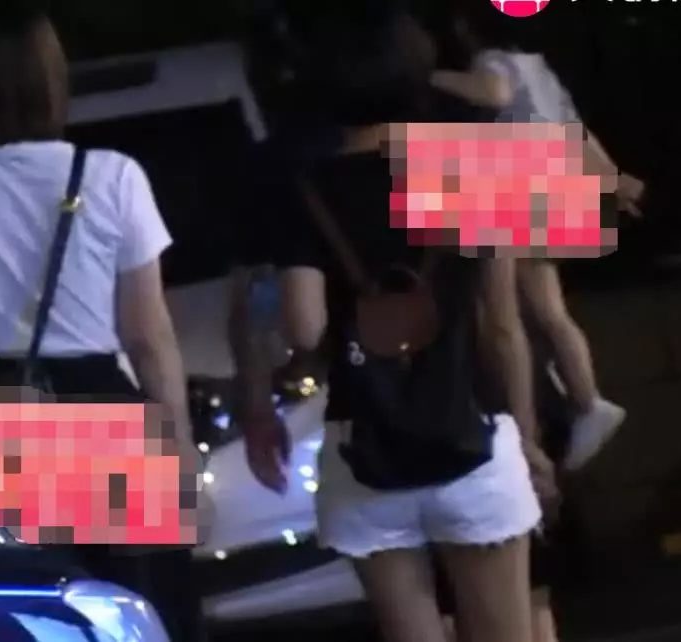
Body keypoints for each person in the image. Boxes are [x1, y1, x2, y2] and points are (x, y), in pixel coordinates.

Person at [0, 3, 207, 640]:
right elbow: (148, 337)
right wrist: (180, 448)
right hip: (108, 419)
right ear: (52, 78)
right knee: (139, 613)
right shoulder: (114, 176)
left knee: (12, 618)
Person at [232, 9, 552, 642]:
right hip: (472, 440)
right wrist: (532, 441)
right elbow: (502, 329)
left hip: (367, 455)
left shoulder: (303, 191)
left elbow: (304, 328)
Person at [430, 2, 647, 472]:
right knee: (550, 311)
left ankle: (540, 424)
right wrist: (612, 179)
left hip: (515, 186)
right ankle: (587, 399)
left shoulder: (490, 62)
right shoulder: (539, 66)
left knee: (505, 318)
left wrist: (432, 77)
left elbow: (493, 93)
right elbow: (577, 133)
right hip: (554, 186)